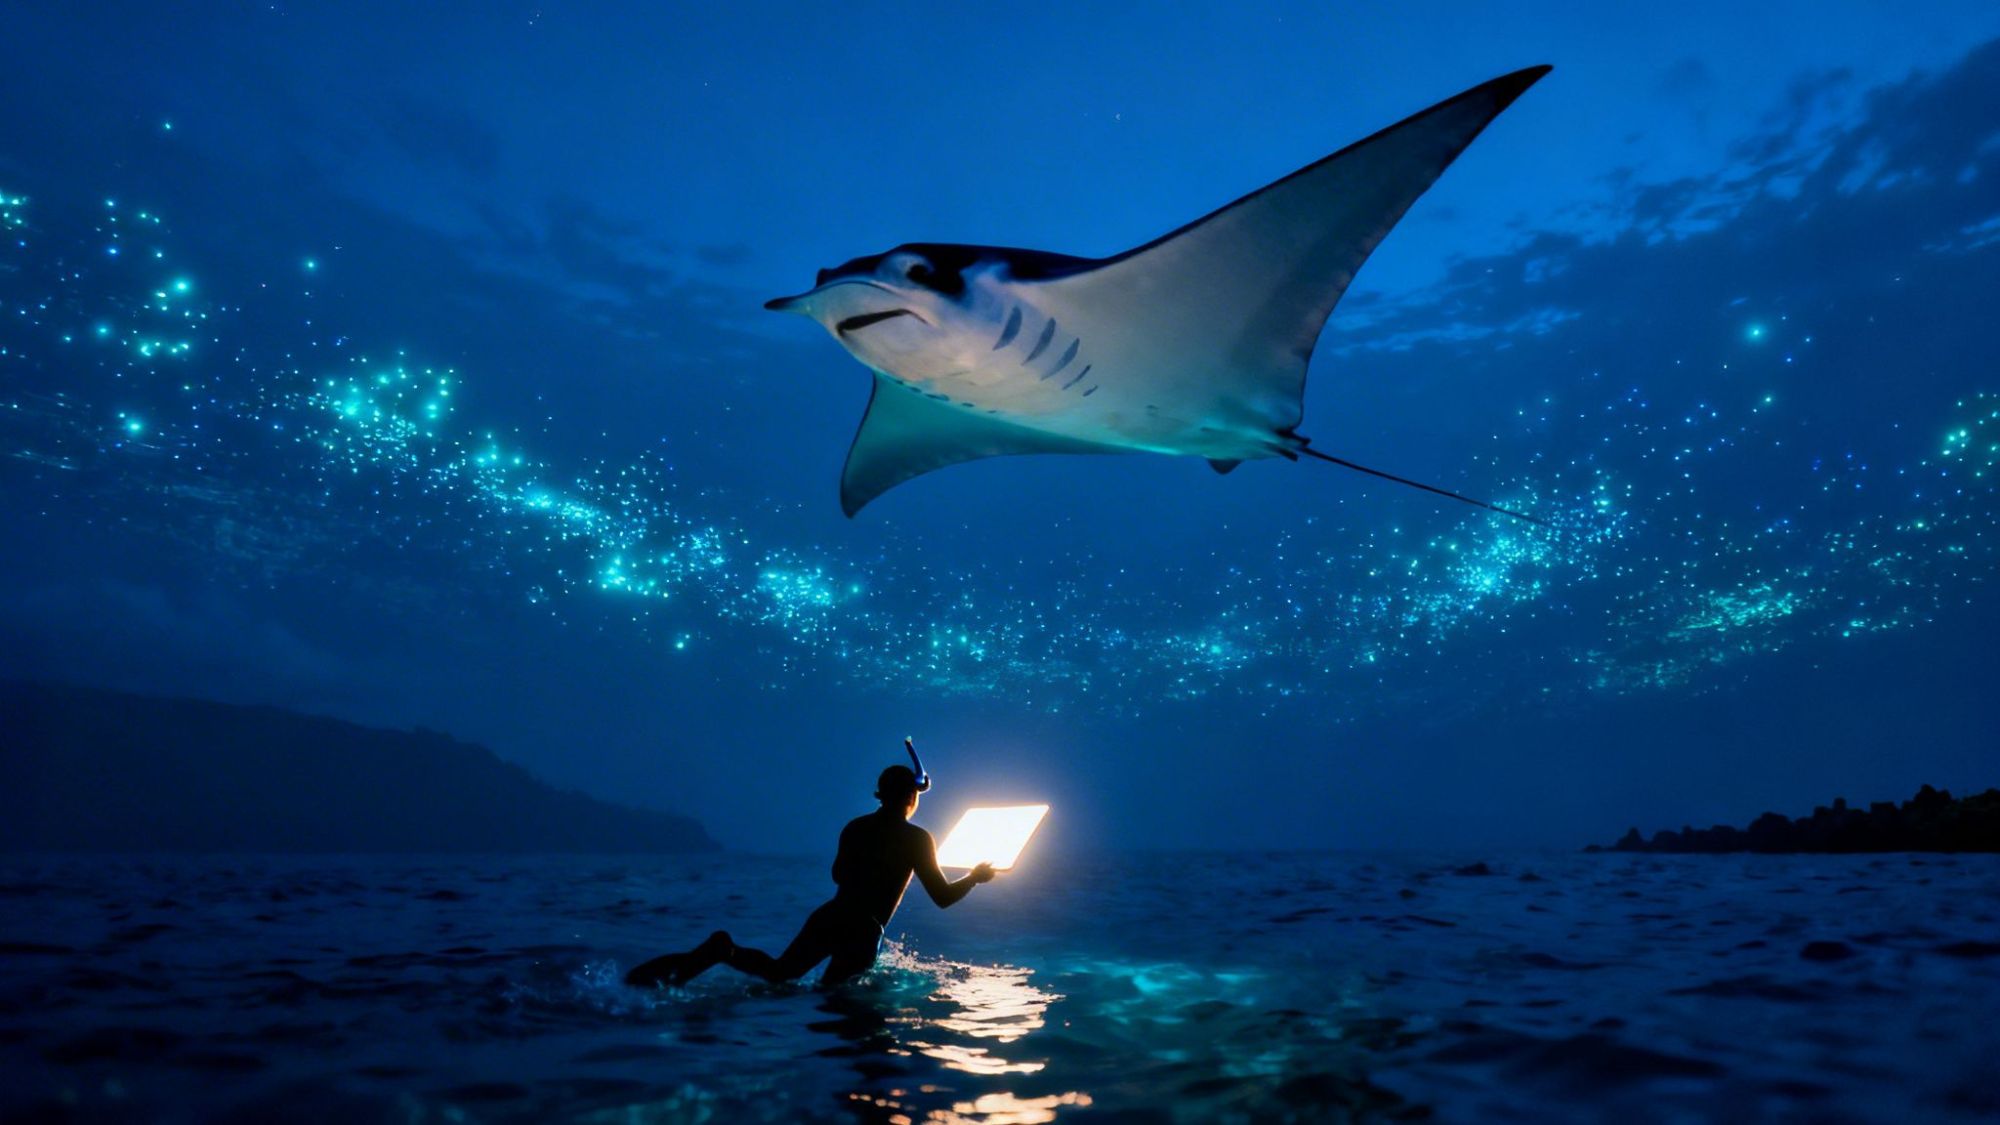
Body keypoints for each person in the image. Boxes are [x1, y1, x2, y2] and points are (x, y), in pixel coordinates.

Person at [625, 763, 995, 988]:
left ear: (879, 794)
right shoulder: (917, 838)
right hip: (863, 931)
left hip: (831, 915)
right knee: (837, 999)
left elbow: (838, 874)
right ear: (911, 799)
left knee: (779, 974)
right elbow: (943, 897)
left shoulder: (855, 827)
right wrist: (974, 877)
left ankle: (726, 950)